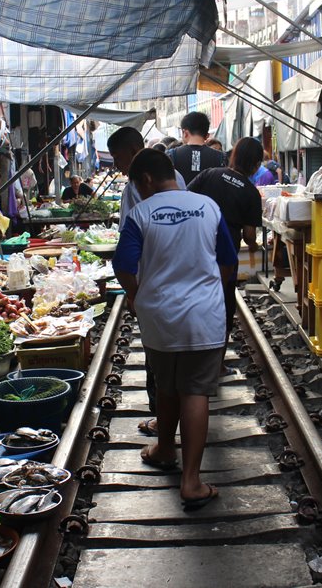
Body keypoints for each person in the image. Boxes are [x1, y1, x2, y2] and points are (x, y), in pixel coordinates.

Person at [113, 149, 238, 510]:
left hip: (159, 316)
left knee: (167, 385)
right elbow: (227, 262)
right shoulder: (208, 207)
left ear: (147, 180)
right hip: (204, 316)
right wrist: (210, 287)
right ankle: (192, 482)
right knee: (196, 391)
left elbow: (123, 264)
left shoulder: (140, 213)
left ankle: (166, 449)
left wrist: (135, 294)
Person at [108, 127, 189, 438]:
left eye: (117, 157)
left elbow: (130, 245)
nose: (116, 164)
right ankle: (169, 418)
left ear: (132, 150)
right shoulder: (165, 178)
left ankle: (162, 421)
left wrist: (134, 292)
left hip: (155, 282)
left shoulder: (144, 184)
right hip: (172, 281)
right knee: (173, 362)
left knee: (159, 359)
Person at [188, 137, 264, 336]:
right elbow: (248, 235)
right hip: (225, 256)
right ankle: (218, 362)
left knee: (193, 294)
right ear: (256, 165)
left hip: (196, 248)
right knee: (223, 301)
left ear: (233, 156)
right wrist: (254, 246)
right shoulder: (251, 193)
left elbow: (185, 199)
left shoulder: (209, 174)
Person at [167, 112, 226, 185]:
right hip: (210, 196)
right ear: (207, 135)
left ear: (185, 133)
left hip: (179, 196)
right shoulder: (221, 158)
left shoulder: (170, 155)